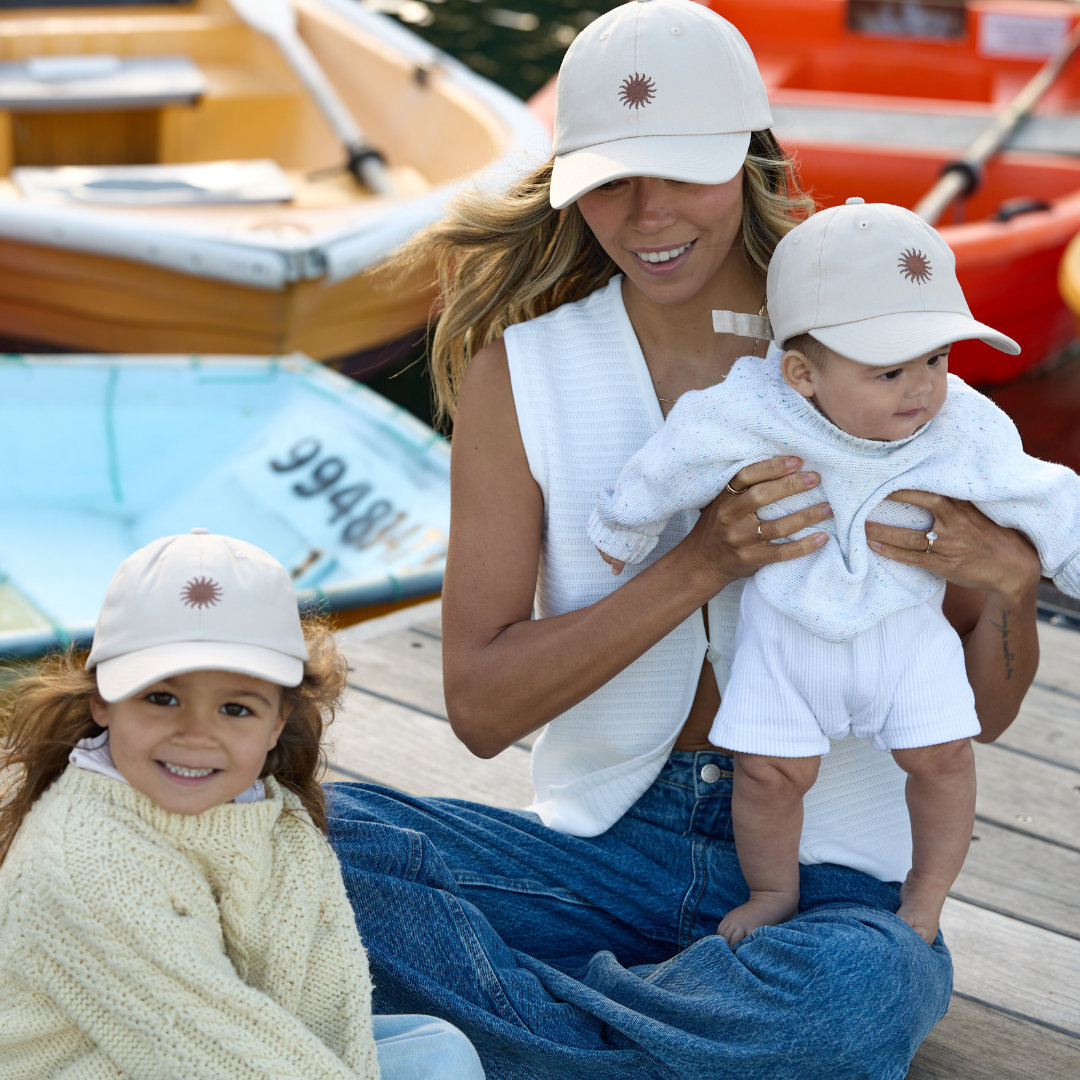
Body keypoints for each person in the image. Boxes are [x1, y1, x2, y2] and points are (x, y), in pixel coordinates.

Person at [326, 2, 1042, 1077]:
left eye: (684, 172)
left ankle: (520, 1026)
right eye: (611, 180)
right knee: (299, 836)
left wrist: (1011, 589)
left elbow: (975, 716)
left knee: (861, 988)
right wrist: (703, 561)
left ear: (750, 158)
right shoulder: (521, 373)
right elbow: (480, 709)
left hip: (831, 882)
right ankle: (669, 1026)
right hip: (600, 852)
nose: (648, 213)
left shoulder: (881, 346)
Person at [589, 198, 1080, 948]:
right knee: (766, 775)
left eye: (937, 359)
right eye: (890, 370)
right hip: (790, 636)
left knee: (945, 762)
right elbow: (678, 453)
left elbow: (1042, 492)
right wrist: (625, 524)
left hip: (904, 632)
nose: (922, 388)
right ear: (801, 373)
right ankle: (773, 890)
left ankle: (926, 895)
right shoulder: (753, 409)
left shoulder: (963, 425)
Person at [0, 529, 485, 1080]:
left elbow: (321, 997)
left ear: (278, 721)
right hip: (154, 1058)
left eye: (235, 708)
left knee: (438, 1051)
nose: (196, 733)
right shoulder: (87, 864)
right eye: (162, 697)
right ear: (103, 701)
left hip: (225, 1039)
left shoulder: (271, 810)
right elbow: (212, 1054)